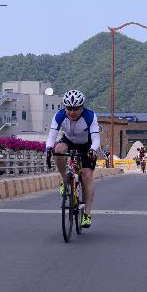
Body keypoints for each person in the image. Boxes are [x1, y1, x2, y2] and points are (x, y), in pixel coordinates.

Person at [45, 90, 100, 229]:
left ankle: (87, 214)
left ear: (82, 107)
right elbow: (51, 136)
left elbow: (96, 139)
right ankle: (65, 180)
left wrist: (93, 150)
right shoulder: (59, 115)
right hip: (69, 141)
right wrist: (48, 149)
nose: (72, 112)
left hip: (87, 145)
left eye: (76, 108)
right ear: (65, 107)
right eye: (69, 108)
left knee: (87, 175)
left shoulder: (90, 116)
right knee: (58, 150)